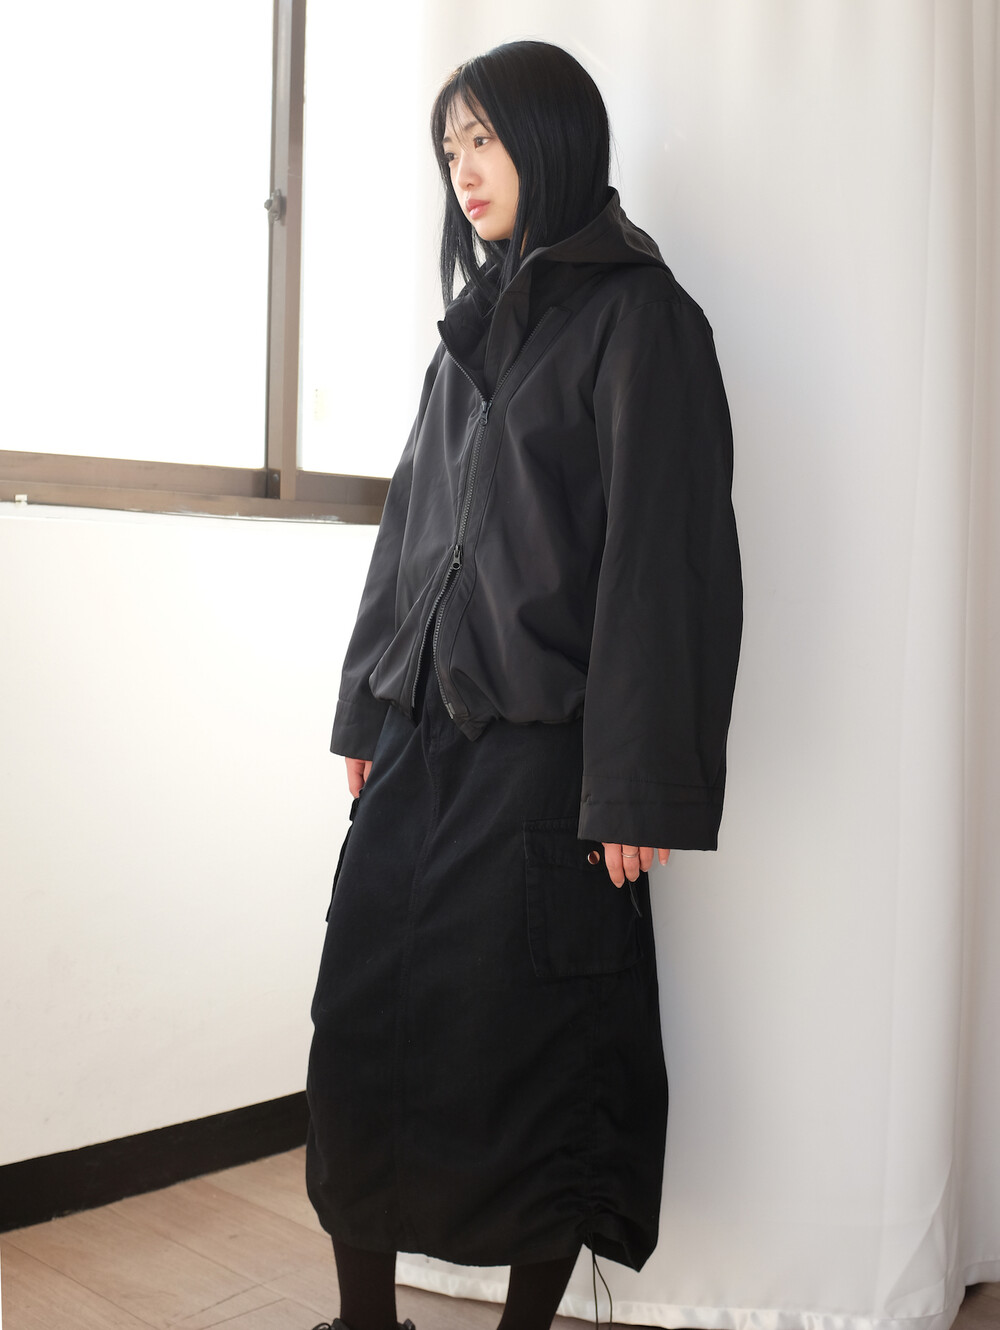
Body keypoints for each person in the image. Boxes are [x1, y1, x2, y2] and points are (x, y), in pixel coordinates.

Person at [305, 39, 742, 1330]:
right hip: (420, 740)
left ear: (552, 138)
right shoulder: (463, 340)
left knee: (541, 1048)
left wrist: (637, 786)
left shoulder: (645, 322)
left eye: (485, 139)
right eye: (451, 148)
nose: (465, 168)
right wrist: (366, 705)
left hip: (551, 757)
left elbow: (665, 563)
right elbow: (407, 531)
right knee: (365, 1023)